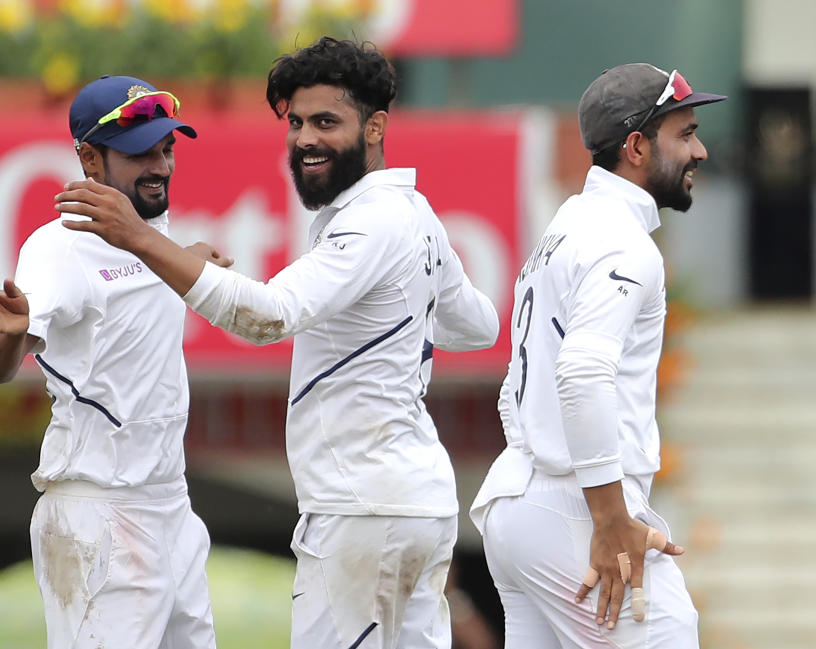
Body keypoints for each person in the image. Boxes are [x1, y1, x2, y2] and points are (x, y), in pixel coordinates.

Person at [56, 37, 500, 649]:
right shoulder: (412, 214)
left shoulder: (374, 220)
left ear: (376, 127)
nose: (305, 139)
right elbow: (477, 326)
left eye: (326, 121)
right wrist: (403, 310)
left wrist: (140, 239)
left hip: (362, 509)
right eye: (295, 122)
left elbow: (268, 317)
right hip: (414, 506)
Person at [469, 63, 726, 648]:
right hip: (574, 506)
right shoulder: (622, 242)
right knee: (670, 633)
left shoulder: (567, 224)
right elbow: (582, 374)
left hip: (521, 495)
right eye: (684, 134)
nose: (701, 150)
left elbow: (517, 386)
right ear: (636, 146)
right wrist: (609, 518)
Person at [0, 75, 232, 649]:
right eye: (140, 153)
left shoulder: (153, 234)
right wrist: (10, 334)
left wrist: (191, 260)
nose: (161, 166)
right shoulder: (59, 246)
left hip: (172, 505)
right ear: (90, 158)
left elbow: (140, 276)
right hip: (100, 514)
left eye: (167, 149)